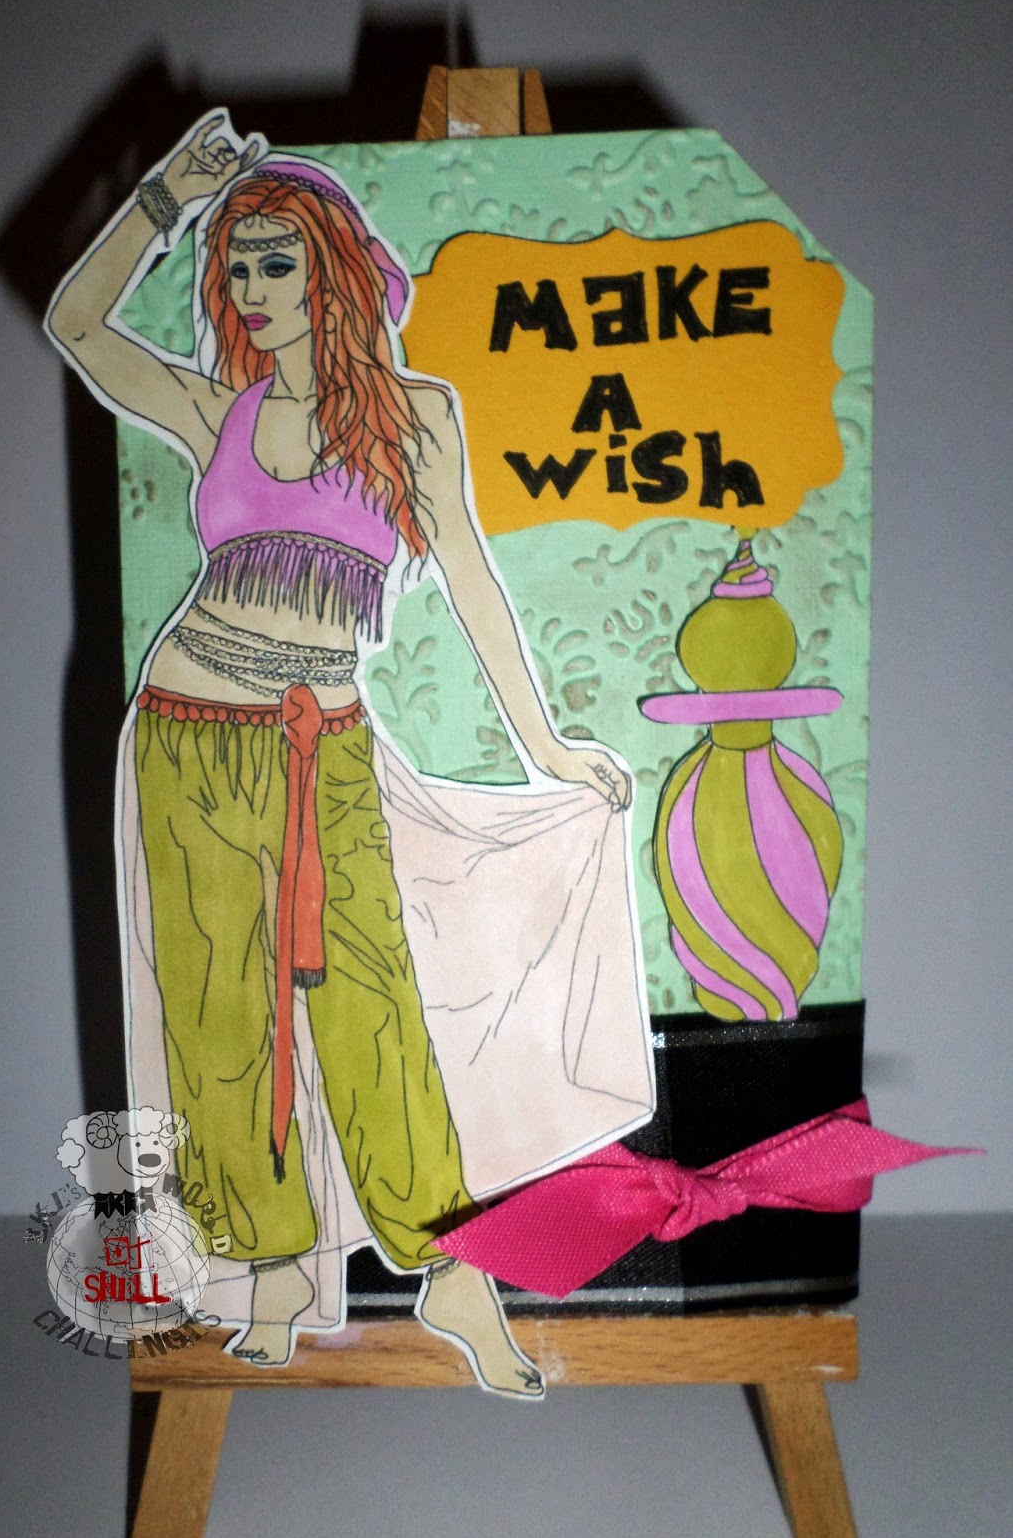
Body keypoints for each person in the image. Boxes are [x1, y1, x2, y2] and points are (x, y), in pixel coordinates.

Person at [48, 114, 637, 1397]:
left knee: (372, 1007)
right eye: (236, 267)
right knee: (219, 1014)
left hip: (327, 745)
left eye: (277, 261)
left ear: (334, 268)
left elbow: (472, 579)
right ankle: (270, 1266)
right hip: (188, 734)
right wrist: (164, 200)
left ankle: (453, 1272)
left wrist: (543, 742)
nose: (253, 289)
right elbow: (77, 328)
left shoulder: (415, 419)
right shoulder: (218, 410)